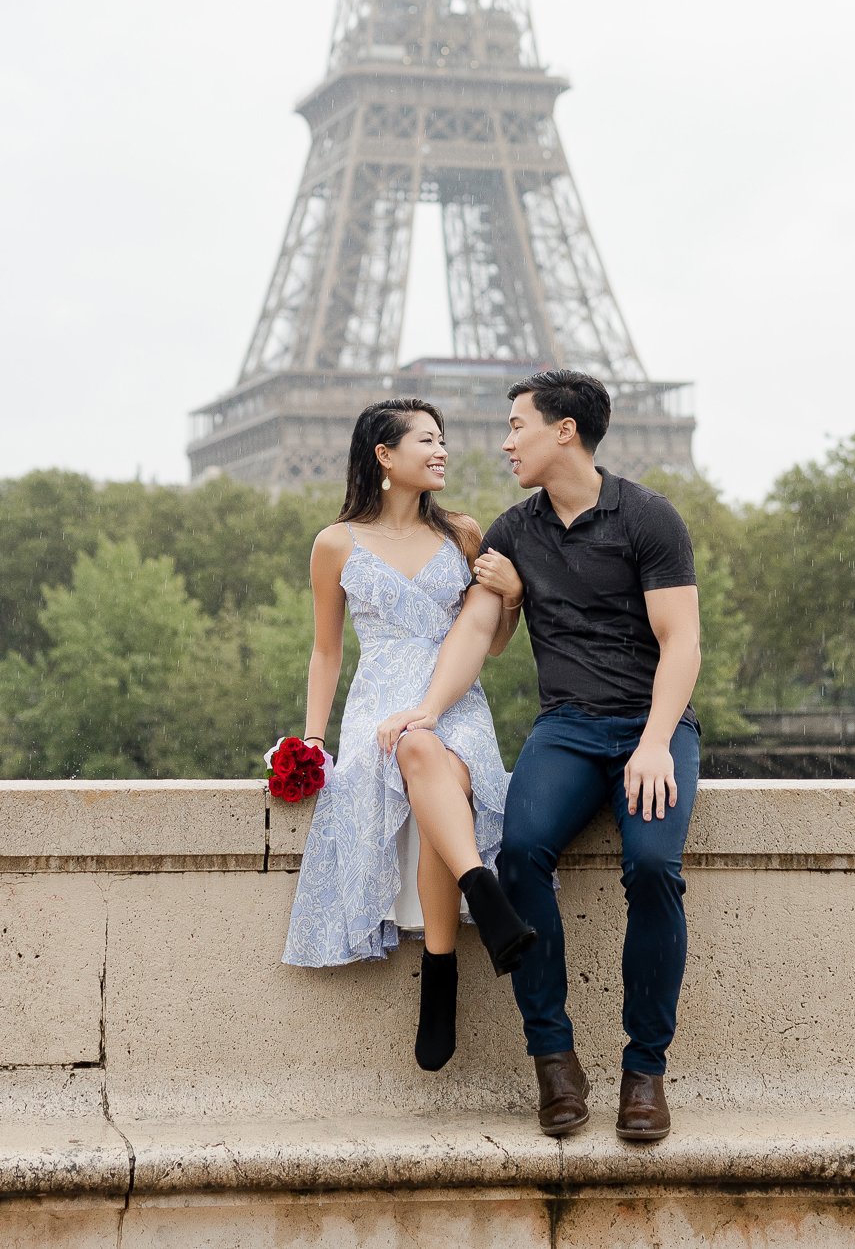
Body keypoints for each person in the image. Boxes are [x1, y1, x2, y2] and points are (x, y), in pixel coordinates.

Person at [379, 369, 701, 1143]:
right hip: (567, 729)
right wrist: (428, 708)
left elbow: (681, 642)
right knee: (520, 854)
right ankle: (553, 1059)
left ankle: (645, 1070)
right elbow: (475, 635)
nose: (504, 440)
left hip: (650, 724)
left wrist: (656, 740)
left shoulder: (650, 517)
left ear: (565, 430)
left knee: (652, 869)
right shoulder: (512, 531)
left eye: (517, 424)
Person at [282, 397, 537, 1071]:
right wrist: (311, 744)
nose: (442, 450)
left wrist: (512, 595)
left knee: (427, 753)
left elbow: (493, 641)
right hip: (379, 701)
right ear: (384, 456)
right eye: (426, 439)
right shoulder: (336, 543)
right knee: (415, 752)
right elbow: (326, 653)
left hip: (453, 696)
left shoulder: (464, 533)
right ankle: (469, 914)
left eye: (443, 438)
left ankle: (443, 971)